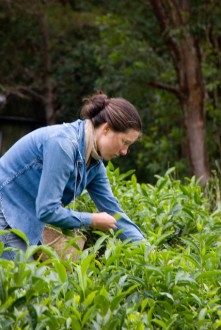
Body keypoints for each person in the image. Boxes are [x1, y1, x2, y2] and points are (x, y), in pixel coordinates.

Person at [0, 91, 146, 260]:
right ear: (106, 129)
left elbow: (114, 212)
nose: (124, 152)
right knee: (21, 283)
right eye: (124, 142)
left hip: (20, 218)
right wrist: (92, 219)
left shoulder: (94, 163)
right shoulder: (63, 145)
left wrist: (149, 252)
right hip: (5, 211)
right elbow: (47, 211)